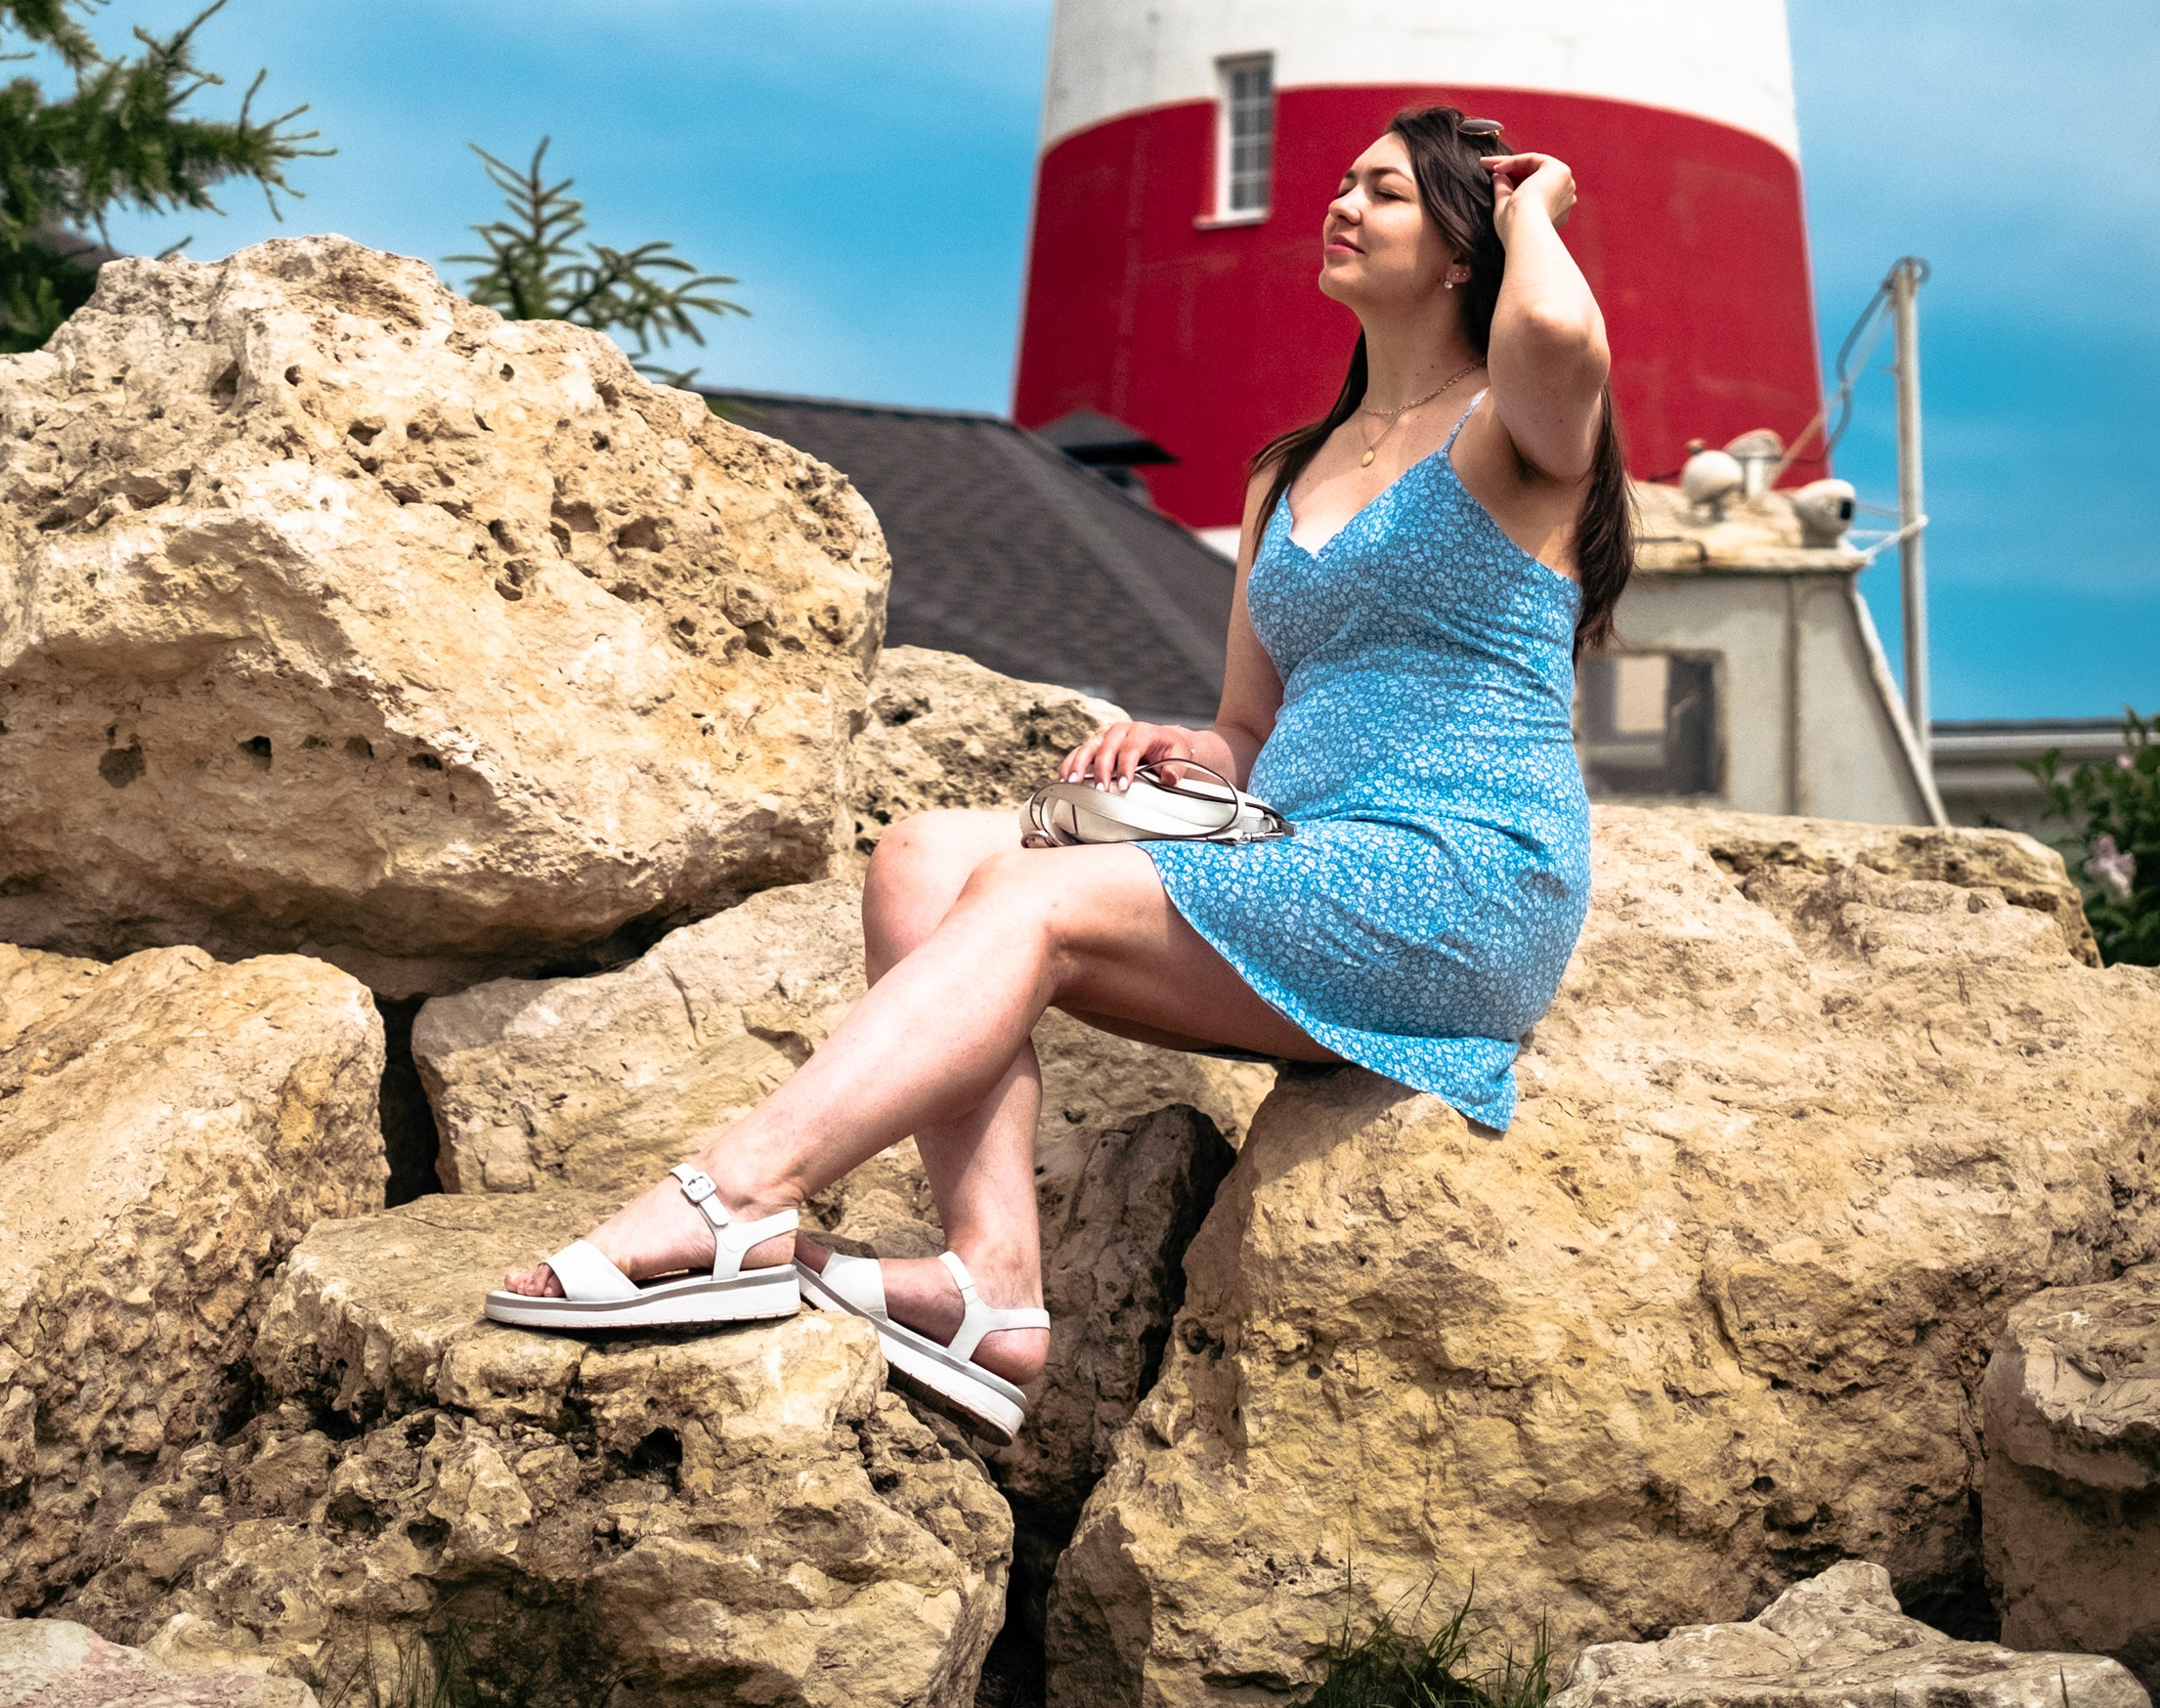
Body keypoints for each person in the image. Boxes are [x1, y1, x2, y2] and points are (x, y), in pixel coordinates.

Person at [488, 101, 1631, 1436]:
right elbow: (1252, 727)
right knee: (924, 854)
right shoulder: (1287, 472)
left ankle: (730, 1198)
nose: (1341, 203)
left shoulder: (1516, 430)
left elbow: (1560, 335)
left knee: (1034, 898)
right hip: (1298, 847)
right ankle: (991, 1284)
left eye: (1384, 191)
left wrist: (1534, 204)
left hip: (1459, 874)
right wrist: (1176, 747)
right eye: (1342, 182)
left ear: (1461, 251)